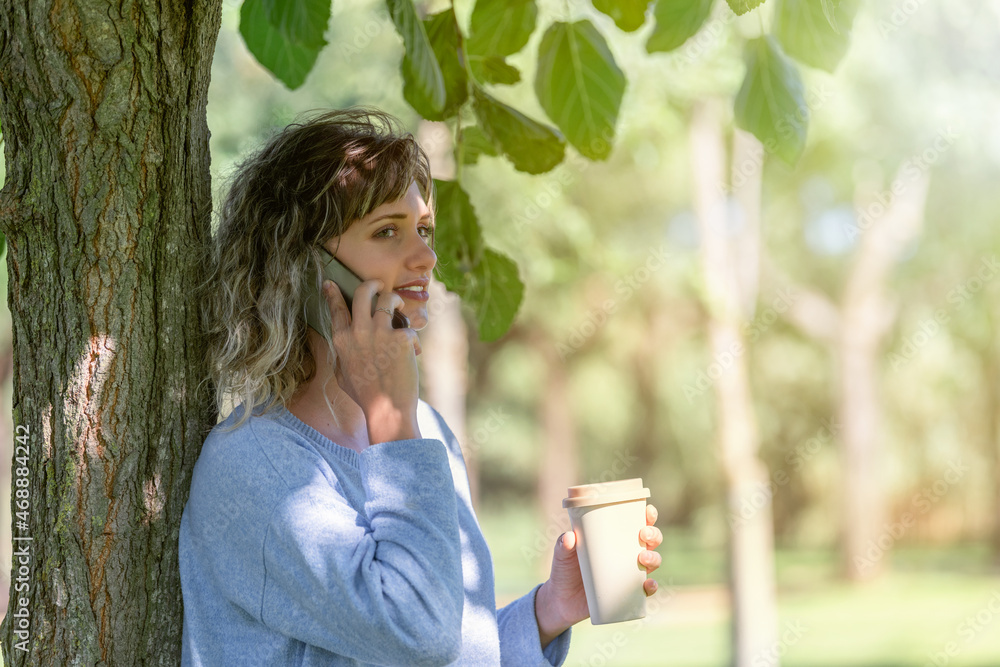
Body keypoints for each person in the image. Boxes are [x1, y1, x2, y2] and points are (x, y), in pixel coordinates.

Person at [178, 108, 663, 666]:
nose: (427, 259)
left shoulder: (422, 428)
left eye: (424, 230)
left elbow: (445, 650)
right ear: (306, 269)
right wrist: (393, 418)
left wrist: (549, 610)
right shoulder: (252, 467)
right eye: (388, 231)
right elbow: (417, 635)